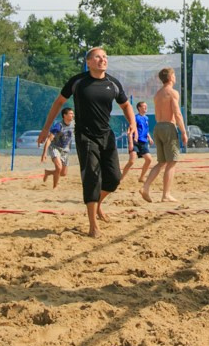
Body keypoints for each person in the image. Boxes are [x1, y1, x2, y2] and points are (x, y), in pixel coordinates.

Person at [38, 47, 136, 237]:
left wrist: (132, 122)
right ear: (89, 62)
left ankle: (98, 204)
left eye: (105, 57)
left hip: (106, 135)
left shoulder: (113, 83)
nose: (103, 60)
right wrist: (46, 128)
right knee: (92, 177)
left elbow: (125, 105)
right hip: (85, 135)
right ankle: (93, 225)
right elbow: (58, 102)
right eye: (98, 57)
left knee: (114, 179)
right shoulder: (78, 82)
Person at [141, 68, 187, 203]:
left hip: (158, 126)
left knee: (161, 162)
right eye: (174, 75)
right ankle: (166, 194)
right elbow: (177, 113)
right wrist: (183, 132)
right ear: (171, 77)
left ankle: (145, 187)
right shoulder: (172, 93)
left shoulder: (158, 94)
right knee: (172, 162)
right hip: (168, 126)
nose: (175, 77)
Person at [41, 107, 75, 189]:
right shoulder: (58, 126)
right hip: (55, 148)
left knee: (63, 173)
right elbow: (49, 139)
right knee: (59, 167)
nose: (73, 115)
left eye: (73, 113)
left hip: (65, 150)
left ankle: (48, 172)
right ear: (65, 115)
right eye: (70, 114)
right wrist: (44, 153)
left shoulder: (74, 124)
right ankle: (55, 187)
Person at [121, 101, 153, 183]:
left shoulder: (146, 118)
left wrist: (149, 137)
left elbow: (145, 129)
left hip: (143, 142)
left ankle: (141, 177)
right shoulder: (135, 117)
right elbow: (130, 130)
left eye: (146, 106)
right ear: (139, 108)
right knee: (132, 161)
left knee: (149, 159)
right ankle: (121, 178)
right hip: (135, 141)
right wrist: (131, 142)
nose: (146, 108)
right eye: (144, 106)